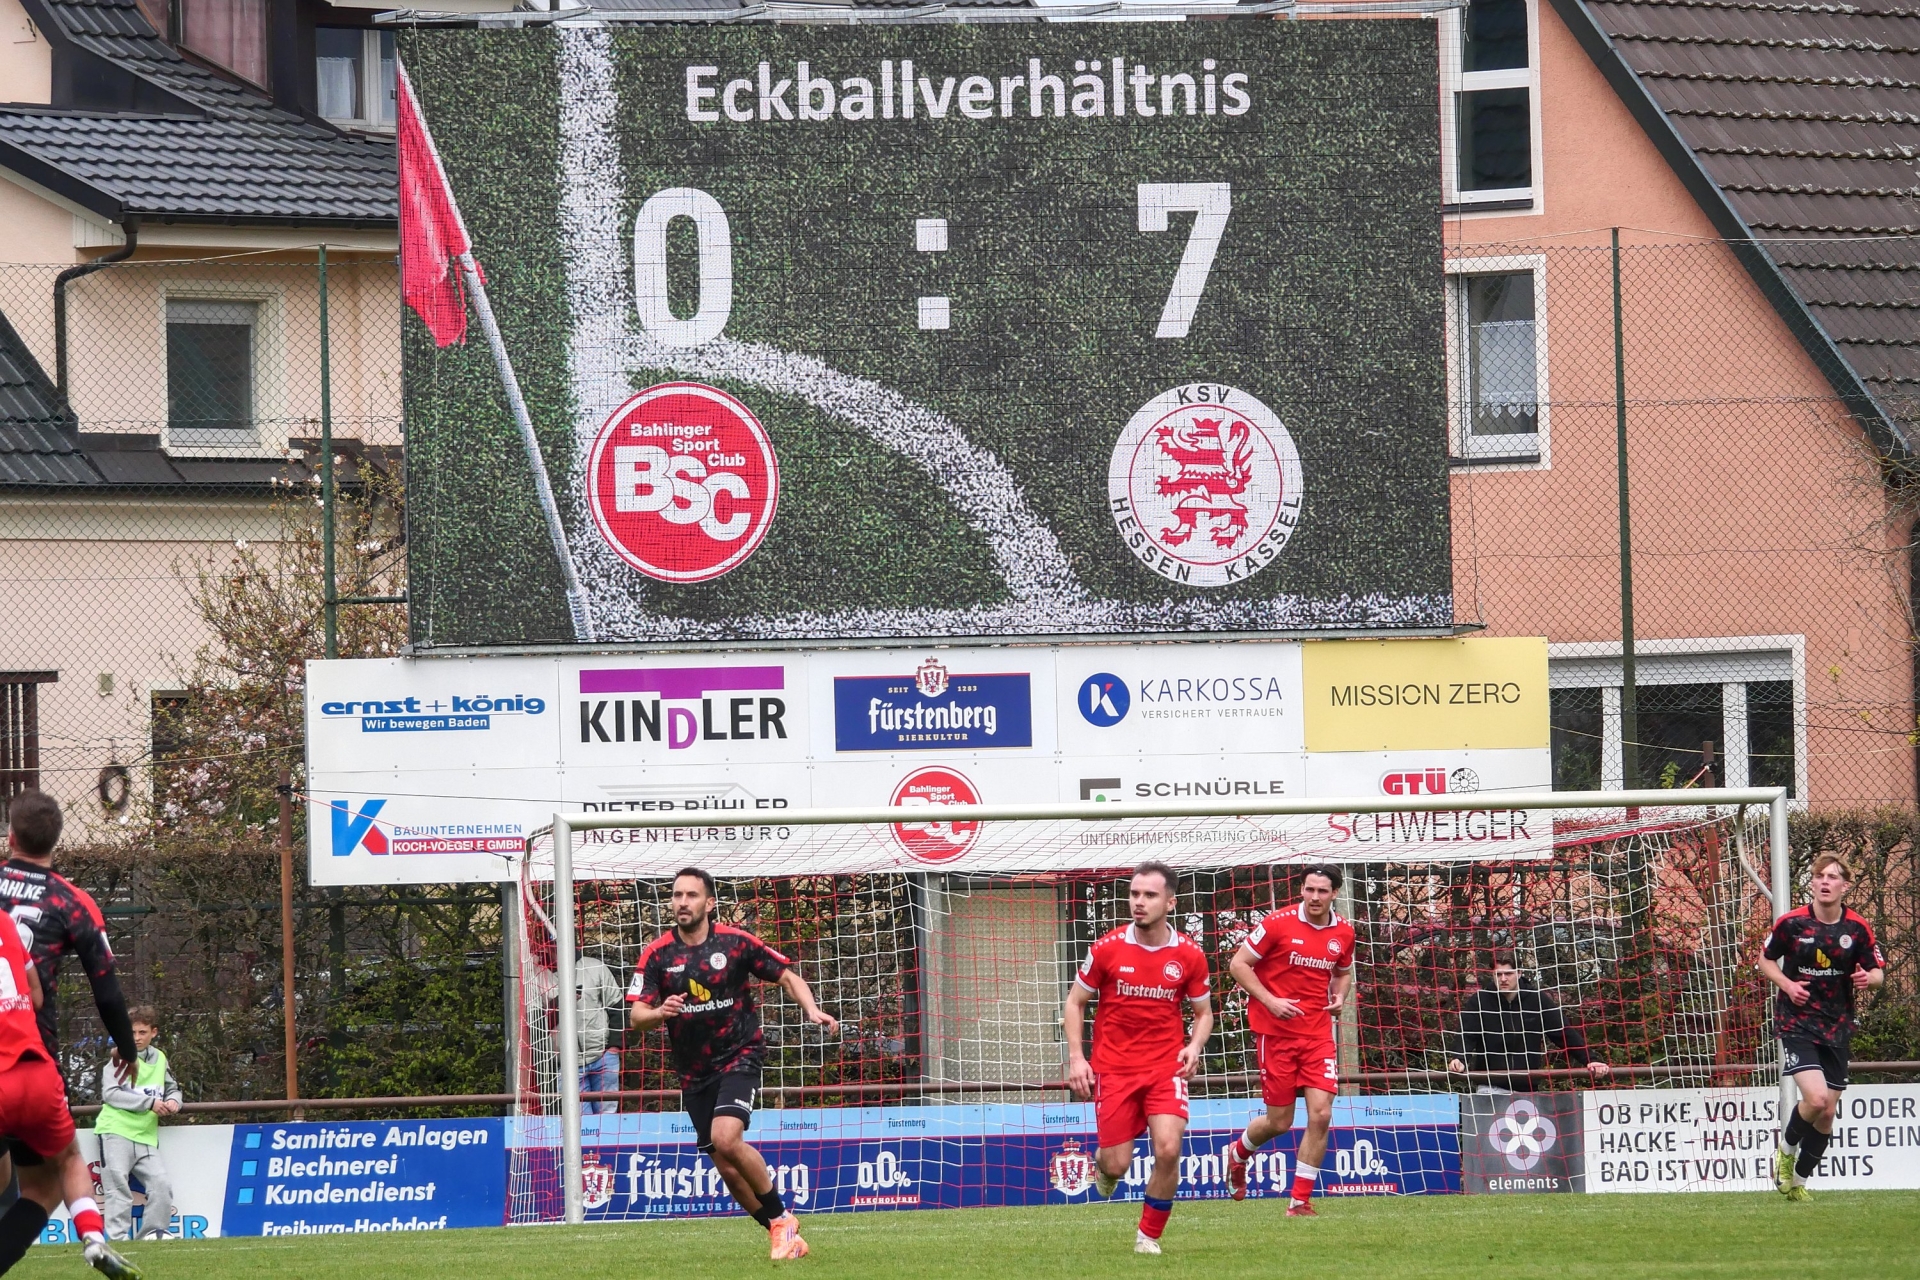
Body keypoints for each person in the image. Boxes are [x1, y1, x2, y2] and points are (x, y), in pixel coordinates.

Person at [627, 867, 837, 1260]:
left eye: (691, 895)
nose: (682, 902)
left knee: (726, 1138)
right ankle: (781, 1231)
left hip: (740, 1054)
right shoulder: (657, 954)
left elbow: (787, 977)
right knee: (725, 1166)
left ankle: (782, 1220)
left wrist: (811, 1009)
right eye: (677, 895)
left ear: (709, 903)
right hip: (693, 1072)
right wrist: (659, 1013)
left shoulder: (735, 942)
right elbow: (637, 1017)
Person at [0, 792, 140, 1277]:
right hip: (34, 1056)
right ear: (57, 840)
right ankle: (91, 1240)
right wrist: (127, 1048)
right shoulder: (72, 902)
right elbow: (107, 991)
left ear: (10, 836)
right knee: (45, 1184)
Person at [1063, 861, 1213, 1256]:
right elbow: (1075, 1002)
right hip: (1114, 1069)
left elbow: (1204, 1013)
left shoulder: (1189, 954)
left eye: (1149, 895)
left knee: (1168, 1148)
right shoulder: (1107, 948)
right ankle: (1104, 1163)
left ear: (1170, 902)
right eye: (1134, 894)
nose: (1139, 902)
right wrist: (1078, 1058)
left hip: (1166, 1068)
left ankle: (1148, 1236)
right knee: (1116, 1165)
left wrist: (1194, 1046)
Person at [1223, 864, 1353, 1217]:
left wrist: (1340, 996)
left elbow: (1343, 973)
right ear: (1301, 890)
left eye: (1322, 891)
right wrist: (1270, 1001)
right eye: (1309, 889)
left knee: (1321, 1114)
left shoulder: (1343, 931)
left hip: (1317, 1035)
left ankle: (1299, 1202)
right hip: (1275, 1034)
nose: (1315, 897)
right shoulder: (1277, 923)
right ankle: (1238, 1154)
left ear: (1334, 894)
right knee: (1279, 1122)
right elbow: (1238, 965)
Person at [1758, 852, 1884, 1201]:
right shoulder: (1792, 923)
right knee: (1815, 1099)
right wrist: (1788, 985)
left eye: (1833, 877)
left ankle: (1798, 1183)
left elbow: (1877, 973)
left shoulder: (1856, 928)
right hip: (1796, 1021)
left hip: (1838, 1025)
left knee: (1827, 1112)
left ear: (1845, 886)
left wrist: (1868, 979)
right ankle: (1785, 1151)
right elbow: (1765, 960)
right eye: (1820, 876)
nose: (1825, 882)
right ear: (1812, 883)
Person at [1444, 953, 1610, 1092]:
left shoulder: (1536, 999)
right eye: (1498, 974)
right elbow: (1466, 1035)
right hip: (1490, 1087)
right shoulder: (1480, 1001)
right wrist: (1459, 1058)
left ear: (1519, 973)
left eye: (1508, 974)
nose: (1503, 979)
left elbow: (1563, 1032)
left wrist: (1590, 1059)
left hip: (1527, 1088)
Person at [95, 1007, 181, 1241]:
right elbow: (110, 1094)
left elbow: (173, 1088)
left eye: (142, 1032)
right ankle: (118, 1239)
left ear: (154, 1032)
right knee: (118, 1188)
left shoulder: (160, 1058)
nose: (136, 1038)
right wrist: (149, 1103)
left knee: (160, 1184)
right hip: (115, 1130)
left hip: (145, 1135)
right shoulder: (118, 1057)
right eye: (132, 1032)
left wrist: (174, 1101)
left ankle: (153, 1233)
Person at [574, 950, 625, 1114]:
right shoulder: (542, 976)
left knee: (608, 1119)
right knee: (579, 1121)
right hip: (568, 1064)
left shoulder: (595, 967)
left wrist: (614, 1046)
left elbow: (617, 1005)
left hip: (603, 1056)